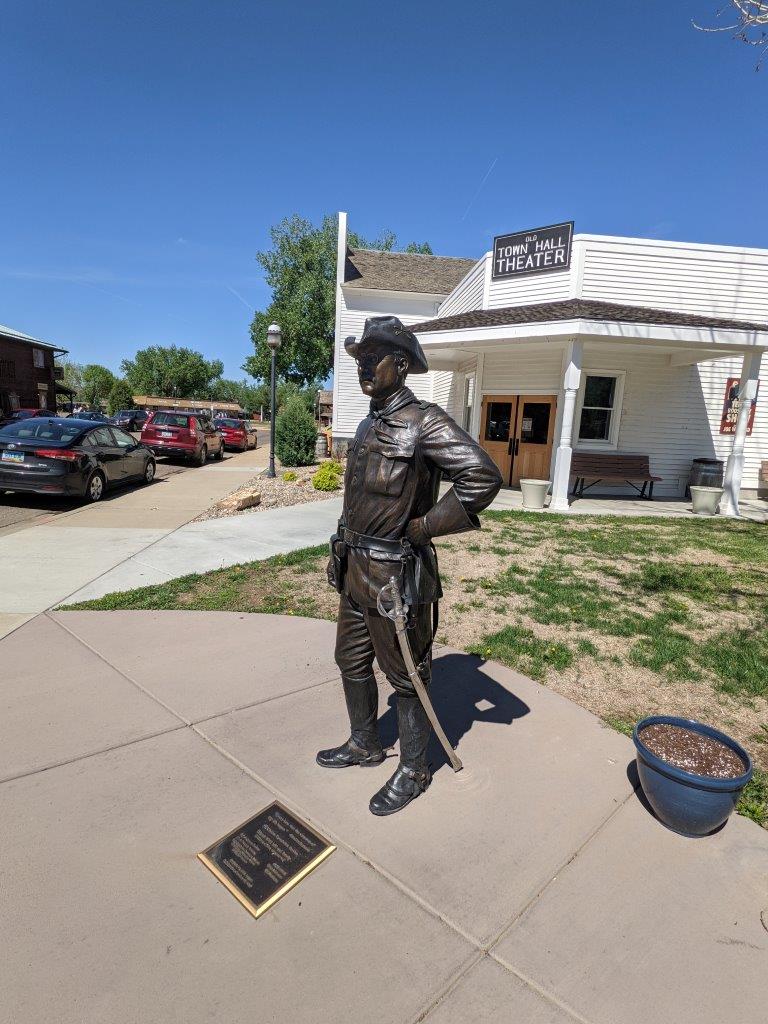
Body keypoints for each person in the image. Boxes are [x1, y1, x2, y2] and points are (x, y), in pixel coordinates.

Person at [318, 316, 502, 815]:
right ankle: (364, 743)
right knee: (350, 660)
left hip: (396, 577)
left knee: (407, 676)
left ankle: (415, 768)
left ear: (401, 365)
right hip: (356, 568)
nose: (363, 368)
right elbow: (355, 496)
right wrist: (340, 545)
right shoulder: (364, 424)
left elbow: (482, 477)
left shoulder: (426, 422)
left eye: (372, 358)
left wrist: (423, 528)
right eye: (358, 359)